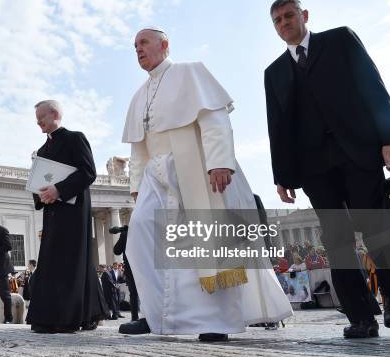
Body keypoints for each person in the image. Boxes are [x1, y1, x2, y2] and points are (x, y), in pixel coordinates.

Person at [120, 27, 293, 341]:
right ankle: (156, 314)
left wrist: (219, 162)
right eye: (134, 46)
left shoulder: (190, 73)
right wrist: (136, 187)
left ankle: (217, 321)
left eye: (143, 43)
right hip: (155, 177)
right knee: (141, 235)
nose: (138, 49)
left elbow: (214, 120)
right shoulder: (139, 95)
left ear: (165, 45)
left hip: (196, 168)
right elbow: (138, 146)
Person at [264, 0, 390, 338]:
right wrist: (282, 176)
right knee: (336, 239)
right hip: (314, 166)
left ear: (304, 15)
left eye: (289, 16)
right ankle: (360, 317)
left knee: (376, 228)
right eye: (278, 20)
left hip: (358, 151)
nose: (285, 23)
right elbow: (277, 127)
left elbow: (373, 87)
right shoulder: (274, 72)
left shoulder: (340, 40)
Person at [26, 100, 109, 333]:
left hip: (74, 211)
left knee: (72, 260)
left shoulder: (75, 138)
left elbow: (88, 172)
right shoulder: (41, 152)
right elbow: (38, 186)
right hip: (53, 213)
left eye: (40, 117)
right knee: (52, 261)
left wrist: (59, 190)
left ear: (54, 113)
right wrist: (42, 195)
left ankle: (69, 318)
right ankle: (52, 317)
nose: (38, 122)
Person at [112, 225, 140, 321]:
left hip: (131, 266)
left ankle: (135, 318)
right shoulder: (145, 230)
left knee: (133, 293)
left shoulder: (126, 234)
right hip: (146, 265)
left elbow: (117, 250)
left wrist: (123, 233)